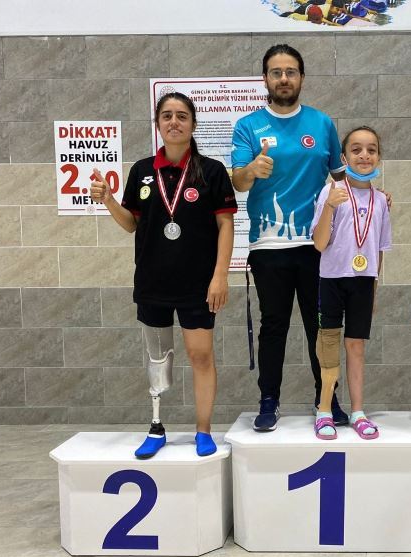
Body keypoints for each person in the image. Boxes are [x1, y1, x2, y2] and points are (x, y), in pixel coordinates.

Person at [90, 91, 237, 458]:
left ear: (193, 124)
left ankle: (203, 430)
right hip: (153, 282)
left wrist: (220, 275)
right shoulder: (141, 170)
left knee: (200, 356)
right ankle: (156, 427)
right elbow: (131, 224)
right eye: (167, 115)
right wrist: (108, 200)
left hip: (198, 284)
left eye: (182, 116)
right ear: (157, 124)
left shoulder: (212, 171)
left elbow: (226, 224)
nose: (174, 122)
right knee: (158, 360)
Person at [231, 44, 348, 431]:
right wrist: (252, 169)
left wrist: (373, 199)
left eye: (291, 72)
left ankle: (327, 400)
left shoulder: (321, 123)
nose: (284, 78)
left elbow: (341, 178)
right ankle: (269, 401)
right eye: (276, 72)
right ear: (265, 78)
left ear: (301, 77)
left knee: (321, 326)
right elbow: (238, 181)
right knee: (274, 326)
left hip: (317, 245)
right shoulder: (248, 126)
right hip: (269, 246)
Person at [310, 126, 391, 440]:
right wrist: (331, 205)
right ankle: (324, 410)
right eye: (356, 150)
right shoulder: (330, 192)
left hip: (363, 283)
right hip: (331, 280)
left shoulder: (381, 200)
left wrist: (374, 290)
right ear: (344, 158)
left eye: (371, 149)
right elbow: (319, 244)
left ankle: (358, 411)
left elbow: (379, 249)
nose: (364, 155)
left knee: (356, 346)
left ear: (378, 157)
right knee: (329, 347)